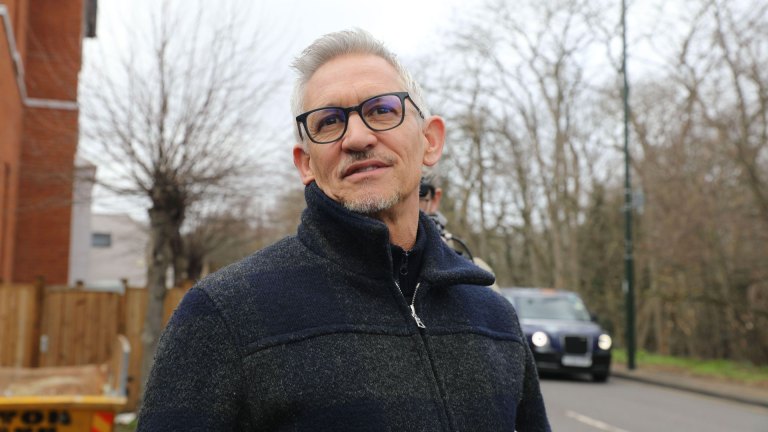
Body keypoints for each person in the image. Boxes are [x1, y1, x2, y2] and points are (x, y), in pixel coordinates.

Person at [137, 28, 550, 431]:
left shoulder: (494, 319)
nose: (357, 137)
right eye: (329, 121)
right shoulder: (224, 315)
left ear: (430, 141)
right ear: (305, 163)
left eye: (382, 110)